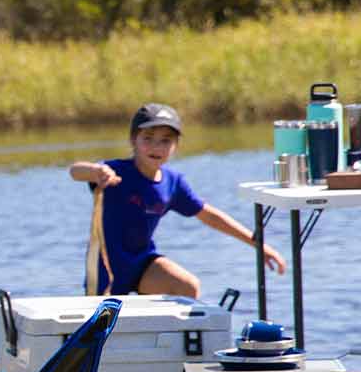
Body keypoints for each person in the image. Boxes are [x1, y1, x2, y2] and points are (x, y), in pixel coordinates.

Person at [67, 103, 286, 297]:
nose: (156, 147)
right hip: (105, 268)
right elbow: (75, 171)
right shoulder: (116, 171)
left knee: (188, 287)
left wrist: (258, 245)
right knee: (103, 324)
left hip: (142, 263)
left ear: (175, 146)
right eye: (148, 139)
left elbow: (209, 215)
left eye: (165, 141)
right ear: (133, 140)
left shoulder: (173, 183)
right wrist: (95, 172)